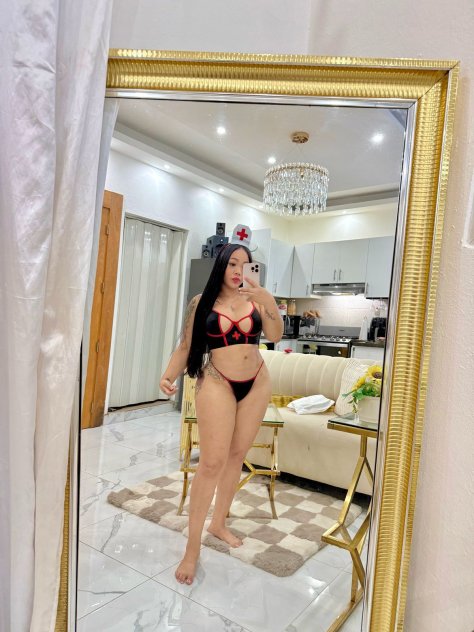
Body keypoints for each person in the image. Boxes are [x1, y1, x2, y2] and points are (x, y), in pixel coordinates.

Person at [159, 237, 283, 585]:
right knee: (211, 462)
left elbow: (275, 335)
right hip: (217, 381)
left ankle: (219, 523)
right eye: (232, 263)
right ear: (221, 266)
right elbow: (186, 346)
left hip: (256, 382)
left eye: (245, 264)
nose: (238, 270)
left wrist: (268, 300)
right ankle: (192, 548)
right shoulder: (202, 302)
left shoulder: (256, 300)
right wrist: (168, 375)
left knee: (236, 456)